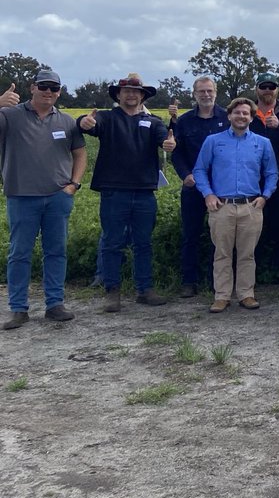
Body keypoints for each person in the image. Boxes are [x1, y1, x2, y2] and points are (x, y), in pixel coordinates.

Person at [77, 74, 176, 312]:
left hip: (144, 192)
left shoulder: (153, 122)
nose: (131, 95)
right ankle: (112, 292)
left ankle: (145, 289)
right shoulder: (106, 118)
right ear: (118, 95)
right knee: (112, 243)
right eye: (126, 91)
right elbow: (87, 124)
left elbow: (165, 139)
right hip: (113, 191)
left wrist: (169, 144)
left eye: (136, 91)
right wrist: (83, 122)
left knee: (144, 243)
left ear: (142, 96)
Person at [1, 71, 87, 329]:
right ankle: (18, 308)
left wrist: (74, 184)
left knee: (56, 251)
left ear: (59, 92)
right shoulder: (9, 115)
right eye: (43, 86)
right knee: (19, 253)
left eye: (54, 88)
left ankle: (55, 304)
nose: (48, 91)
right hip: (21, 196)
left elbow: (80, 154)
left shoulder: (67, 121)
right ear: (32, 88)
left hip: (57, 197)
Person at [192, 97, 279, 312]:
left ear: (251, 118)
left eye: (246, 113)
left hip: (251, 206)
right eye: (237, 112)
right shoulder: (213, 141)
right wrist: (208, 194)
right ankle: (221, 296)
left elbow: (272, 173)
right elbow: (200, 170)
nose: (241, 116)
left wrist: (265, 196)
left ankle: (246, 294)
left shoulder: (262, 143)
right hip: (222, 206)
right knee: (222, 253)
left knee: (247, 254)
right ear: (229, 115)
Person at [169, 77, 228, 297]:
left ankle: (217, 280)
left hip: (220, 187)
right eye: (201, 91)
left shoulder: (227, 118)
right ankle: (189, 281)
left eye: (209, 90)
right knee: (190, 234)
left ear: (216, 92)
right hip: (193, 187)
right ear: (194, 94)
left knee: (219, 236)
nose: (206, 95)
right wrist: (185, 175)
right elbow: (177, 153)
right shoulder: (184, 121)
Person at [248, 73, 279, 277]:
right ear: (256, 89)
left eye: (272, 86)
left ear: (277, 89)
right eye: (264, 86)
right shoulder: (247, 111)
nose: (268, 90)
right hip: (252, 178)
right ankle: (254, 270)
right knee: (252, 226)